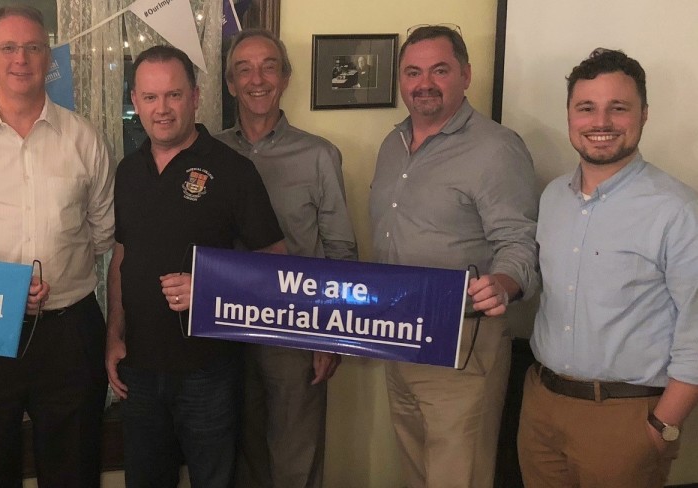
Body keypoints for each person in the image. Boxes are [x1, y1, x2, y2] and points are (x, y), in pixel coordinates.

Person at [0, 6, 114, 487]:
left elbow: (101, 234)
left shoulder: (84, 137)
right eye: (8, 48)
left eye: (33, 47)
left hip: (68, 331)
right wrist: (1, 292)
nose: (21, 59)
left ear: (48, 56)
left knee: (74, 467)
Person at [518, 48, 698, 487]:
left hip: (625, 419)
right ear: (569, 116)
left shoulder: (677, 210)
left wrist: (662, 427)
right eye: (586, 108)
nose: (601, 123)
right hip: (541, 405)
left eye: (618, 108)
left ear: (644, 114)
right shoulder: (552, 198)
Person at [108, 44, 286, 488]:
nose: (161, 109)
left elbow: (276, 268)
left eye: (173, 95)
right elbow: (121, 257)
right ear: (135, 101)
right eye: (150, 97)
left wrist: (210, 286)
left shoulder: (234, 170)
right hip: (140, 368)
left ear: (196, 96)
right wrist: (114, 334)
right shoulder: (128, 172)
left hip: (208, 368)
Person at [369, 25, 538, 487]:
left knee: (457, 476)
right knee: (416, 469)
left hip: (463, 344)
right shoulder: (392, 145)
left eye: (439, 70)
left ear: (465, 74)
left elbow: (521, 241)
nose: (424, 83)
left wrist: (503, 282)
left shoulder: (495, 148)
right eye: (413, 72)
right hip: (398, 336)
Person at [215, 29, 357, 488]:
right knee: (239, 455)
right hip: (225, 328)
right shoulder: (210, 154)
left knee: (296, 456)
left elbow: (340, 250)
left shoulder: (318, 156)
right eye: (244, 69)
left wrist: (331, 336)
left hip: (296, 331)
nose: (257, 79)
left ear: (286, 77)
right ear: (231, 83)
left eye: (269, 66)